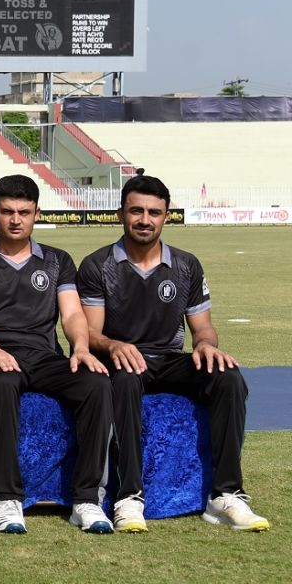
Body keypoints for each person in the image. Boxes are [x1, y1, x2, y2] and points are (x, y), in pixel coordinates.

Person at [79, 175, 268, 532]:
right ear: (121, 214)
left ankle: (225, 495)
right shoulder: (96, 265)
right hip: (122, 361)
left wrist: (206, 346)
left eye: (154, 212)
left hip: (169, 359)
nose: (144, 220)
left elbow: (203, 328)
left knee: (228, 378)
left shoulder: (186, 265)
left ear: (166, 216)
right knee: (125, 379)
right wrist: (113, 345)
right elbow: (90, 333)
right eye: (136, 211)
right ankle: (129, 498)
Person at [0, 174, 113, 535]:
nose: (15, 220)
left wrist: (81, 348)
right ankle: (6, 498)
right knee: (3, 383)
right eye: (7, 211)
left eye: (24, 212)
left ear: (36, 213)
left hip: (44, 356)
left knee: (97, 385)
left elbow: (72, 315)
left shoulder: (58, 260)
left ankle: (87, 498)